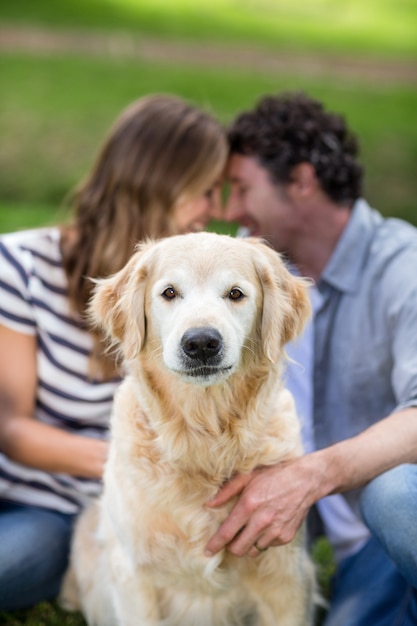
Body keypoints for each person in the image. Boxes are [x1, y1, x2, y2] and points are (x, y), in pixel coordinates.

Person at [0, 93, 227, 611]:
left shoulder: (195, 305)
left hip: (66, 513)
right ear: (160, 183)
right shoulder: (19, 265)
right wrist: (138, 460)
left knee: (24, 554)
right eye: (207, 190)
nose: (215, 210)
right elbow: (11, 429)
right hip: (10, 476)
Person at [204, 92, 417, 625]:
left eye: (244, 189)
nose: (231, 211)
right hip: (367, 555)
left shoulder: (403, 268)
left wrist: (313, 475)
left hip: (404, 514)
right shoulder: (252, 280)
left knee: (393, 494)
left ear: (300, 181)